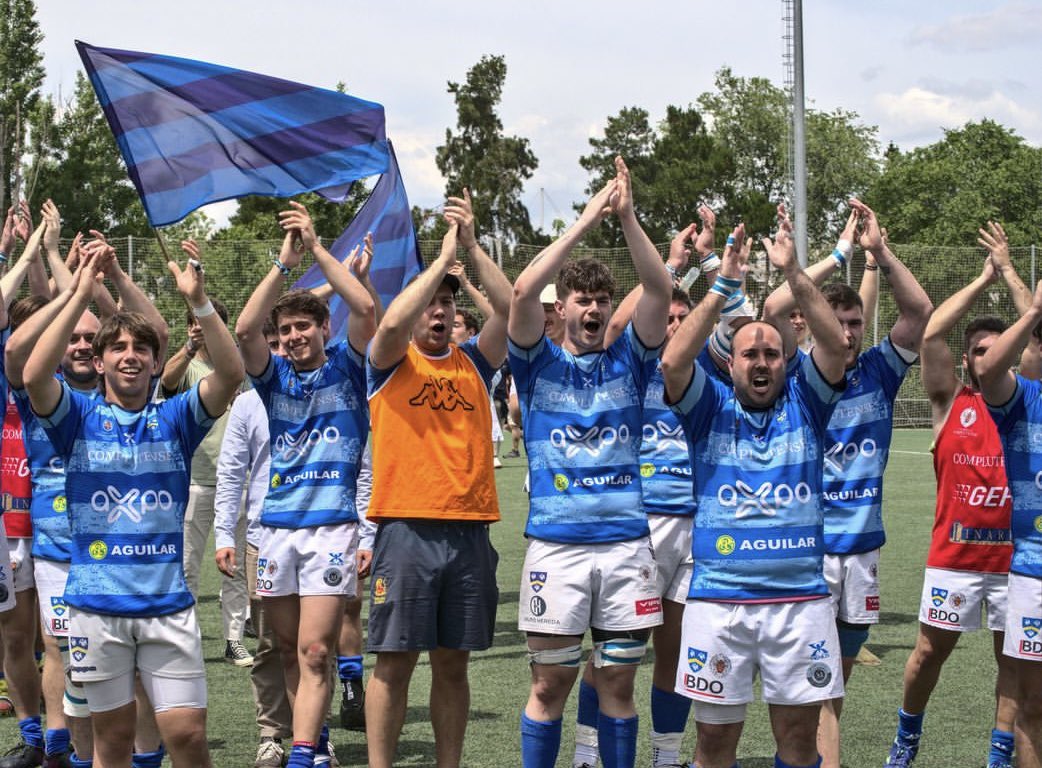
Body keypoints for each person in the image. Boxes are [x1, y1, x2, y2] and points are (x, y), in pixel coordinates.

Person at [22, 240, 243, 767]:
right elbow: (32, 375)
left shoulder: (176, 419)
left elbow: (232, 374)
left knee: (187, 736)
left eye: (140, 349)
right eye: (117, 348)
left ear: (153, 361)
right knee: (113, 742)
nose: (130, 356)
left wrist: (200, 304)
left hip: (168, 606)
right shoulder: (75, 417)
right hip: (96, 607)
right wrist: (78, 294)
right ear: (98, 362)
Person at [660, 211, 848, 768]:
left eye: (772, 353)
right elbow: (673, 361)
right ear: (731, 364)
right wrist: (720, 290)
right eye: (751, 354)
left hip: (800, 606)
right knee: (714, 746)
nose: (762, 361)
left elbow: (835, 347)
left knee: (797, 743)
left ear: (787, 362)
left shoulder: (807, 405)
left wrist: (792, 272)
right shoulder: (708, 407)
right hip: (720, 604)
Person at [511, 157, 670, 768]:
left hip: (627, 547)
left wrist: (627, 218)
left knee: (617, 687)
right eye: (583, 300)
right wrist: (582, 223)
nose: (595, 308)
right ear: (565, 309)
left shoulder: (631, 359)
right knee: (550, 686)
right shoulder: (536, 363)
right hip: (557, 547)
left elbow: (658, 289)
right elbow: (524, 291)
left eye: (603, 300)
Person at [5, 216, 171, 768]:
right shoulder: (43, 393)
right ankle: (63, 748)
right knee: (61, 651)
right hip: (57, 547)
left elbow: (156, 334)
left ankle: (145, 753)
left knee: (135, 659)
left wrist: (112, 279)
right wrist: (68, 287)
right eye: (71, 339)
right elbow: (17, 352)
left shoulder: (128, 386)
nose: (78, 346)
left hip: (129, 548)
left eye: (86, 339)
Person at [363, 184, 511, 768]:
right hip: (406, 529)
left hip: (470, 530)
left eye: (448, 303)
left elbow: (511, 309)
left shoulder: (475, 360)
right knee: (394, 661)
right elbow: (393, 318)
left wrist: (470, 247)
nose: (440, 310)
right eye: (432, 301)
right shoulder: (391, 360)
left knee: (454, 663)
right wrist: (434, 262)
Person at [570, 206, 716, 768]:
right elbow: (617, 321)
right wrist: (672, 267)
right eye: (669, 316)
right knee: (616, 651)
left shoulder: (712, 367)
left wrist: (707, 265)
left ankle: (667, 754)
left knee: (675, 650)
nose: (675, 324)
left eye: (684, 318)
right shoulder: (633, 366)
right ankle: (587, 751)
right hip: (644, 522)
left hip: (697, 523)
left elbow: (738, 314)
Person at [234, 202, 375, 768]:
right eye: (286, 329)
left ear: (324, 328)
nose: (292, 337)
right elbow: (245, 329)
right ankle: (315, 745)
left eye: (303, 327)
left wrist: (319, 249)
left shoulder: (351, 364)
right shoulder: (273, 379)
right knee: (291, 651)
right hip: (275, 532)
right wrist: (281, 264)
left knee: (318, 648)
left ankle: (300, 754)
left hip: (330, 530)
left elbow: (365, 305)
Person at [883, 222, 1028, 768]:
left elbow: (1036, 329)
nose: (985, 358)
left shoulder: (1021, 403)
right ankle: (907, 738)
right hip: (955, 560)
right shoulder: (950, 401)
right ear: (967, 360)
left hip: (1014, 562)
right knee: (927, 654)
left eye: (995, 349)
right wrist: (983, 276)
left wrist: (1012, 275)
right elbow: (930, 335)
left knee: (1010, 663)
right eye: (977, 351)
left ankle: (999, 751)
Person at [160, 294, 252, 668]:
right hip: (193, 482)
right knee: (186, 566)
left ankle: (234, 640)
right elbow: (165, 380)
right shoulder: (186, 368)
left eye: (210, 324)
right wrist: (189, 345)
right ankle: (186, 639)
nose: (202, 330)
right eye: (195, 323)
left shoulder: (237, 372)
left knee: (236, 569)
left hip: (236, 485)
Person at [974, 263, 1042, 768]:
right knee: (1034, 705)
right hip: (1034, 576)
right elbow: (989, 370)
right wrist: (1033, 311)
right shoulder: (1023, 402)